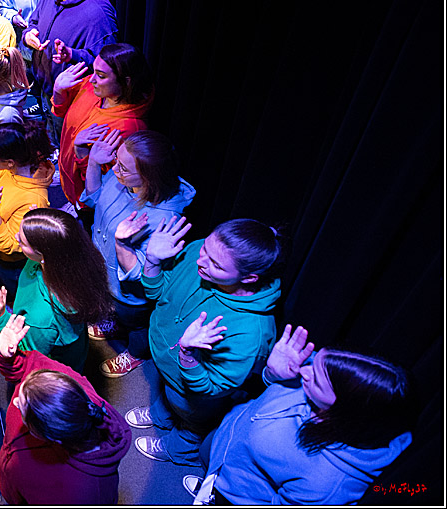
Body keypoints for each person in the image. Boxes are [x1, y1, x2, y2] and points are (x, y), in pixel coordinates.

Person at [191, 325, 414, 505]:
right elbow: (270, 395)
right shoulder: (327, 370)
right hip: (224, 441)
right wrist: (272, 375)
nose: (303, 370)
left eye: (315, 379)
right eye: (314, 362)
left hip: (235, 495)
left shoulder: (326, 485)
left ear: (344, 409)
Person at [124, 216, 283, 466]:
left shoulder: (251, 332)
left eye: (216, 265)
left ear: (249, 278)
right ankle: (161, 417)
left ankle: (176, 451)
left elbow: (214, 388)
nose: (200, 260)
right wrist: (153, 261)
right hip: (167, 367)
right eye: (205, 249)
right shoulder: (200, 254)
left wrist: (187, 356)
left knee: (192, 423)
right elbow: (157, 293)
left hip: (196, 394)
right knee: (166, 399)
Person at [81, 129, 196, 371]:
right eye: (117, 162)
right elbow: (94, 199)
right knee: (115, 312)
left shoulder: (166, 218)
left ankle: (135, 353)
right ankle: (116, 322)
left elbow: (144, 274)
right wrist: (92, 162)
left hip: (130, 294)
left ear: (149, 177)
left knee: (136, 324)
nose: (114, 170)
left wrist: (121, 243)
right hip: (106, 277)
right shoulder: (122, 178)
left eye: (123, 168)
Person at [0, 313, 131, 505]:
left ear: (50, 437)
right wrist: (6, 355)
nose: (15, 402)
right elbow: (25, 367)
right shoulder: (62, 382)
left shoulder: (90, 493)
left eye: (23, 407)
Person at [0, 208, 113, 372]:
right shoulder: (71, 260)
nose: (16, 237)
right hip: (74, 351)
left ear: (43, 254)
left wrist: (1, 318)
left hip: (54, 369)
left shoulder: (41, 319)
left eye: (23, 241)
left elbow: (27, 357)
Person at [24, 0, 120, 143]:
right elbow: (33, 21)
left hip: (72, 104)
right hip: (45, 89)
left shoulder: (98, 13)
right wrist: (29, 35)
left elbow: (109, 64)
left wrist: (73, 55)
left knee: (67, 150)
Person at [53, 44, 153, 206]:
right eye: (94, 71)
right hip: (68, 176)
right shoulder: (94, 87)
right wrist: (58, 91)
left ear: (125, 81)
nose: (92, 79)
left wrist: (81, 152)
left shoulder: (129, 128)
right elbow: (61, 111)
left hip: (85, 198)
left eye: (101, 75)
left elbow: (104, 187)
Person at [0, 119, 55, 291]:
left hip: (11, 264)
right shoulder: (5, 168)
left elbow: (12, 245)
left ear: (9, 162)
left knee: (14, 291)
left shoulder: (33, 199)